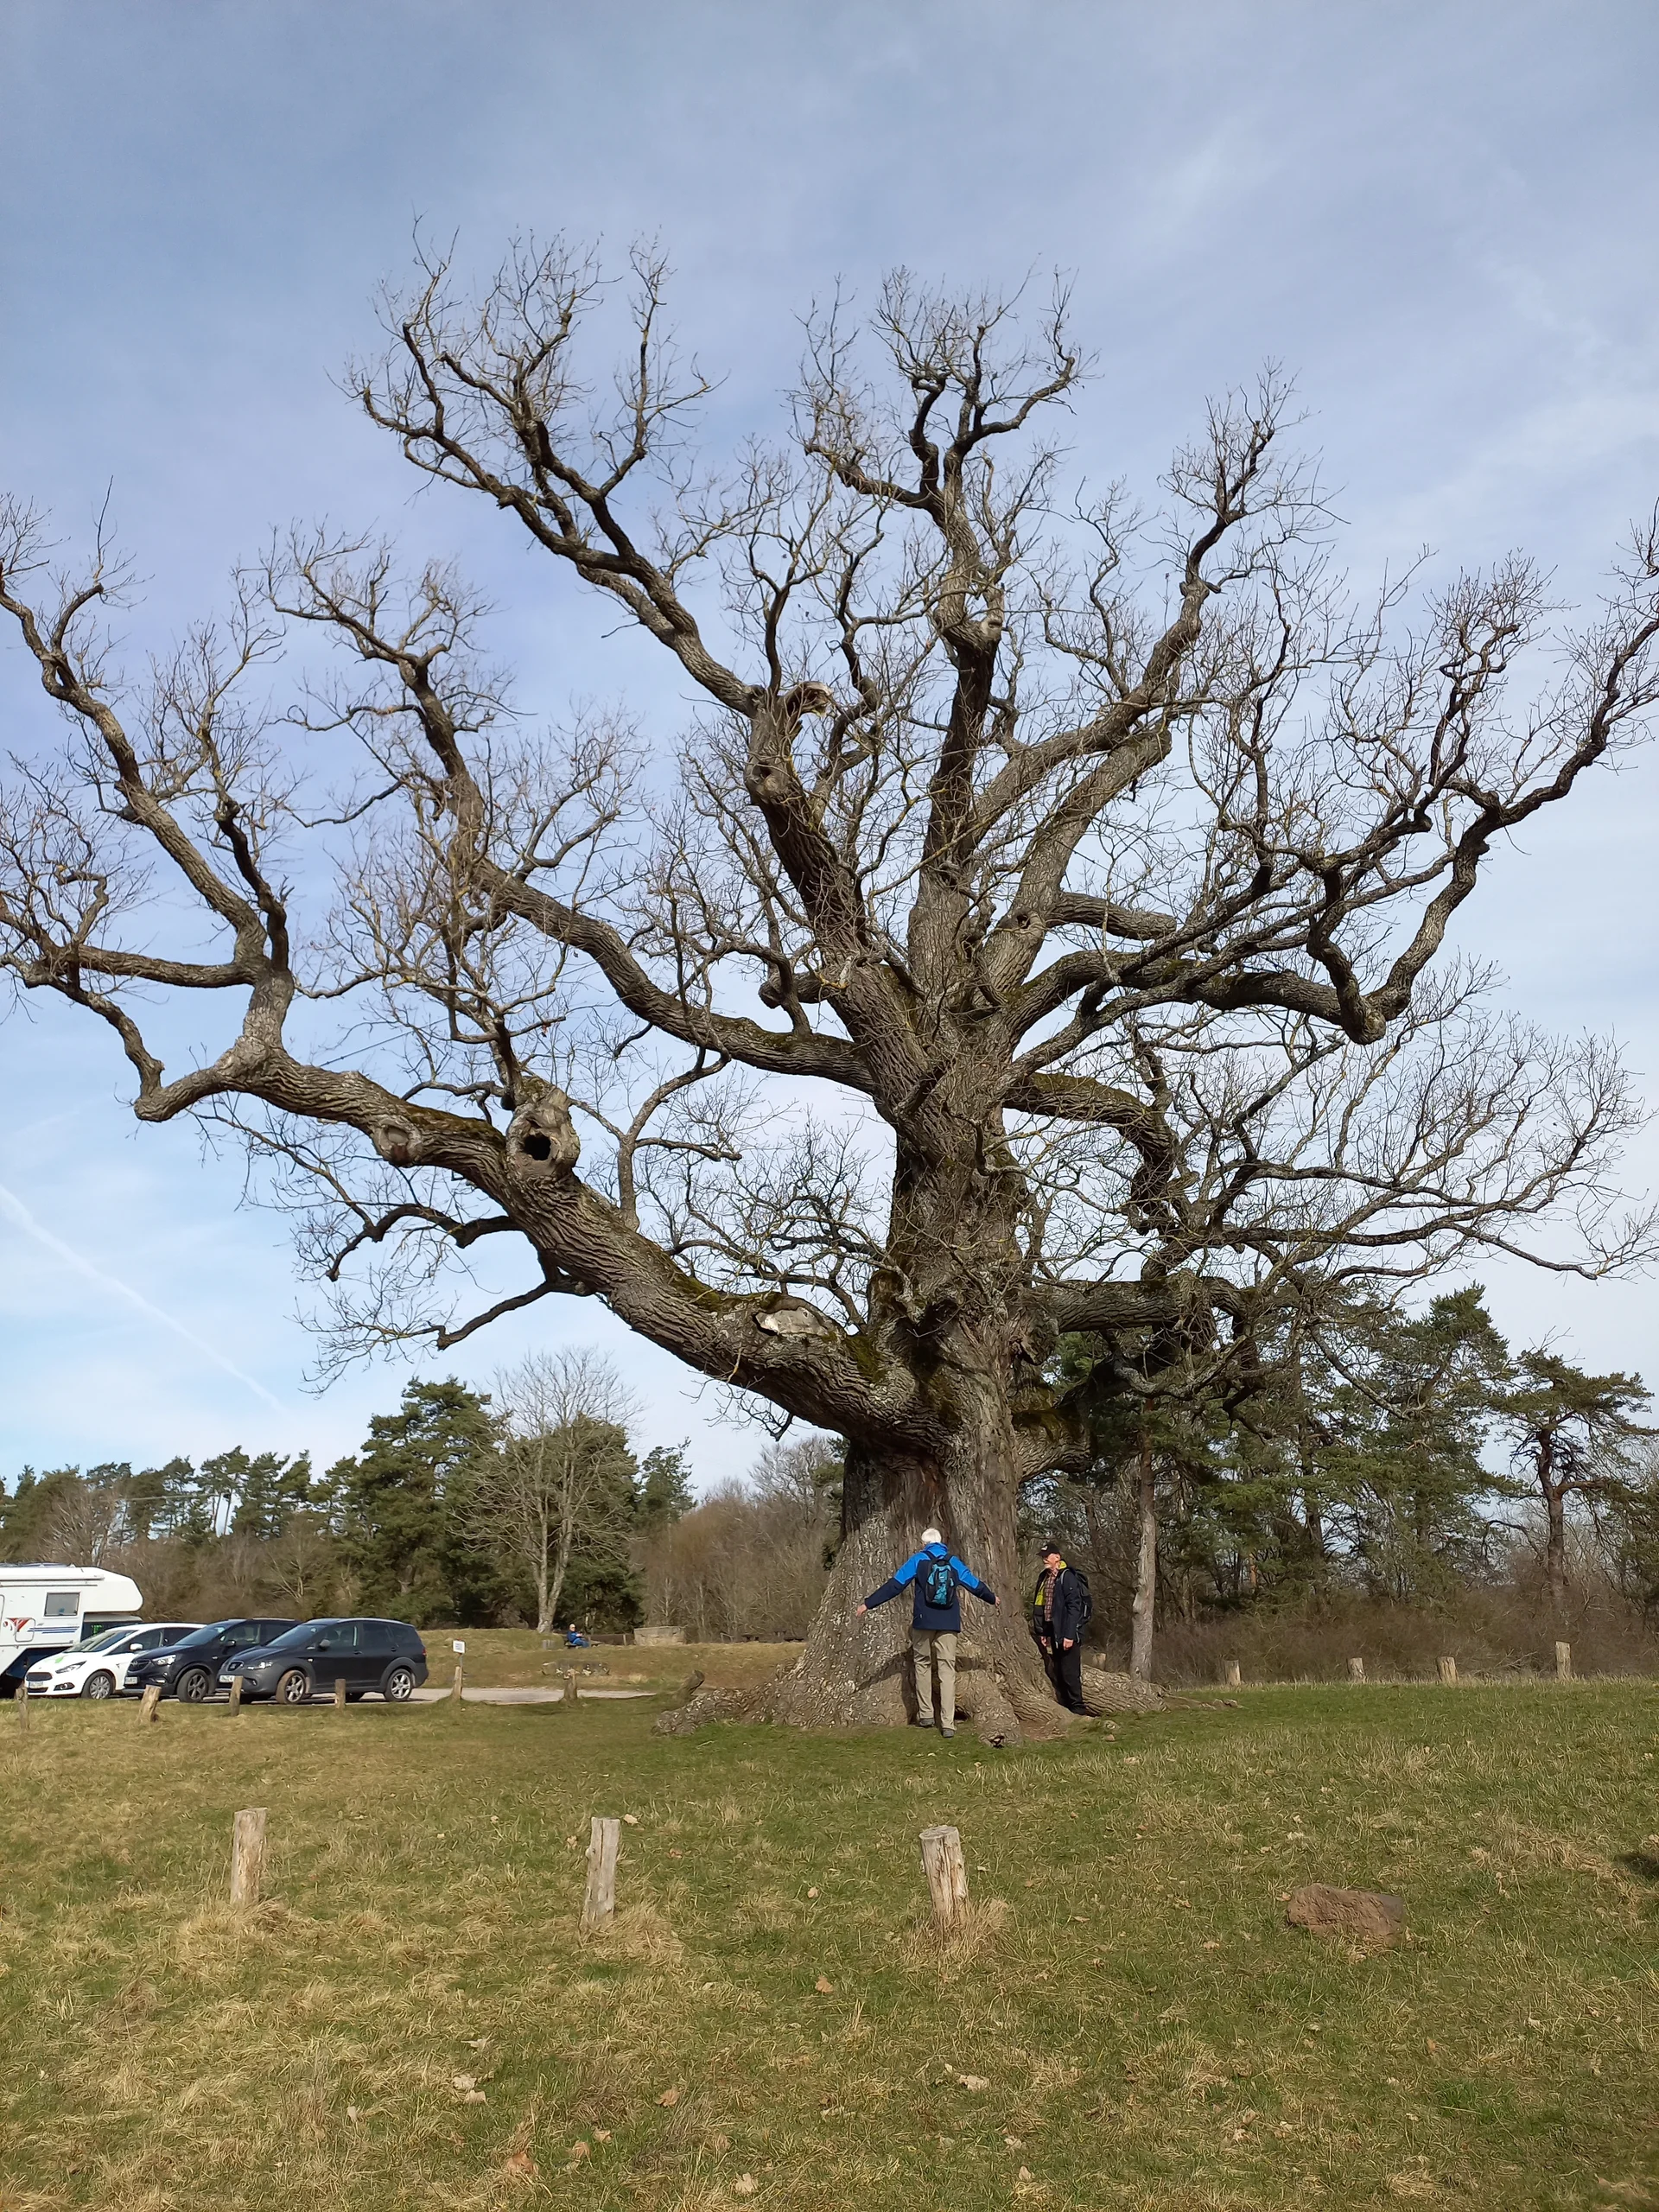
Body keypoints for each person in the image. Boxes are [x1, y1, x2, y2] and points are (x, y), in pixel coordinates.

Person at [857, 1527, 997, 1738]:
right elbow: (974, 1584)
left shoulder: (918, 1560)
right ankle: (948, 1724)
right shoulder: (953, 1562)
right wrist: (992, 1598)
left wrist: (868, 1603)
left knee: (922, 1664)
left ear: (924, 1544)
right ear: (941, 1542)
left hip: (923, 1622)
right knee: (947, 1670)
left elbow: (895, 1586)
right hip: (949, 1623)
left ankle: (926, 1715)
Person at [1032, 1538, 1090, 1713]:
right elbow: (1041, 1605)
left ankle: (1078, 1709)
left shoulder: (1067, 1577)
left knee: (1070, 1672)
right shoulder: (1044, 1578)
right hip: (1053, 1631)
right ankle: (1066, 1707)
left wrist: (1069, 1635)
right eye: (1043, 1556)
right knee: (1058, 1671)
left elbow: (1074, 1607)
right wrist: (1043, 1632)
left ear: (1057, 1557)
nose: (1044, 1559)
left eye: (1047, 1556)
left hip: (1068, 1632)